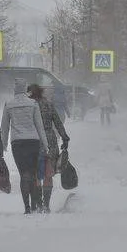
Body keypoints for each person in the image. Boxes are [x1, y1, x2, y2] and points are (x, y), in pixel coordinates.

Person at [2, 78, 49, 215]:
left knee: (24, 174)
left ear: (15, 89)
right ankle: (34, 205)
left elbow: (4, 127)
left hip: (17, 143)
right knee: (33, 174)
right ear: (24, 89)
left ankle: (27, 207)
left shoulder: (8, 104)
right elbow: (39, 126)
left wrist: (3, 144)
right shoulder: (33, 103)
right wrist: (45, 144)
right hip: (33, 141)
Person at [28, 84, 70, 213]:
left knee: (35, 174)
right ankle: (46, 205)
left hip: (34, 140)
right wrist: (64, 137)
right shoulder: (48, 104)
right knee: (48, 173)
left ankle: (38, 204)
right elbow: (57, 122)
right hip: (50, 141)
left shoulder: (29, 106)